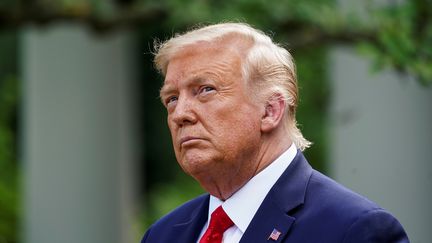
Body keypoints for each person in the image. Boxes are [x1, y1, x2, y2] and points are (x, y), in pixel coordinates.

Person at [141, 22, 409, 243]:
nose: (179, 114)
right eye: (172, 98)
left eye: (205, 90)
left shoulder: (355, 230)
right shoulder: (163, 235)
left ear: (270, 111)